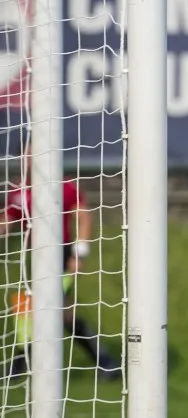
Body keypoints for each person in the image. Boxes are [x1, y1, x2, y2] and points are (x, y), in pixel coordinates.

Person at [2, 144, 119, 380]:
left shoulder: (63, 187)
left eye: (35, 153)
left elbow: (83, 216)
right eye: (27, 154)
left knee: (59, 311)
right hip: (32, 257)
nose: (30, 158)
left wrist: (80, 253)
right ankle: (21, 362)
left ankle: (105, 362)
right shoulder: (19, 190)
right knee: (30, 310)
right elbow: (8, 221)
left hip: (60, 256)